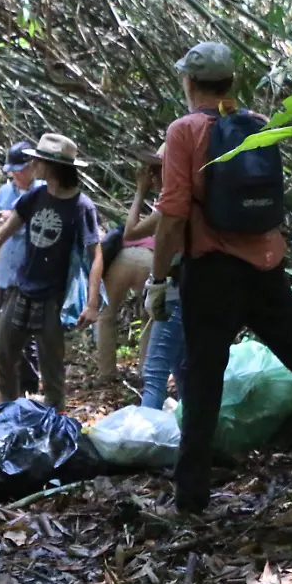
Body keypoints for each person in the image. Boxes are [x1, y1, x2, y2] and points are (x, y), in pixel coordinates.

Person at [149, 42, 292, 514]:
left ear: (189, 82)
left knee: (203, 379)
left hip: (211, 272)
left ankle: (191, 496)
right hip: (265, 265)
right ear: (232, 82)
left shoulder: (184, 131)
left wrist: (158, 280)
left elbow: (173, 214)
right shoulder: (258, 124)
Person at [0, 133, 103, 412]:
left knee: (51, 371)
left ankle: (55, 423)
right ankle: (9, 415)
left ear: (54, 166)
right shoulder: (35, 197)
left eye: (39, 161)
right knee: (3, 357)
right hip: (22, 290)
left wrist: (93, 302)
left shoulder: (80, 206)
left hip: (53, 298)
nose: (33, 165)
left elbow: (95, 255)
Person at [121, 148, 186, 410]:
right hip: (185, 292)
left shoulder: (172, 204)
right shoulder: (187, 198)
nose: (152, 176)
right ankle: (189, 426)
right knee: (181, 368)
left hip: (175, 294)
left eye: (156, 170)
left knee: (154, 371)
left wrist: (140, 192)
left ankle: (148, 429)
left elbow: (130, 232)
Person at [96, 154, 159, 379]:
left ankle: (106, 373)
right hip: (150, 260)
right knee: (150, 318)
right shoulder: (173, 196)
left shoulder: (161, 202)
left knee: (106, 316)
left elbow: (129, 232)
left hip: (121, 260)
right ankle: (145, 372)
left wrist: (140, 192)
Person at [0, 141, 44, 394]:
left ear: (33, 166)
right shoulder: (5, 192)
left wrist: (15, 221)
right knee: (6, 334)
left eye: (20, 169)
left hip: (31, 273)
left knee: (29, 335)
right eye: (12, 170)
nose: (16, 175)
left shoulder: (44, 191)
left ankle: (30, 387)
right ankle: (9, 387)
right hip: (6, 272)